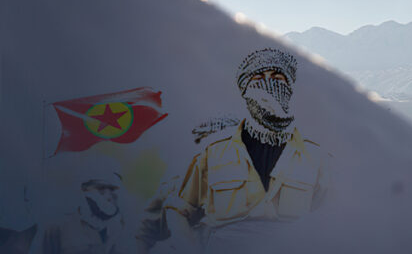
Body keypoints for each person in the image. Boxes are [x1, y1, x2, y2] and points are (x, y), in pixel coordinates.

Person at [145, 48, 329, 252]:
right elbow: (179, 210)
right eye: (258, 78)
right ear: (245, 90)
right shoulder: (214, 154)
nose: (268, 85)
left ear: (289, 88)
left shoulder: (316, 158)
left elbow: (336, 219)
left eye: (277, 77)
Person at [31, 171, 127, 254]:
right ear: (84, 190)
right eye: (101, 189)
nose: (109, 197)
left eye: (112, 190)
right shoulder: (57, 227)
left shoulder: (118, 231)